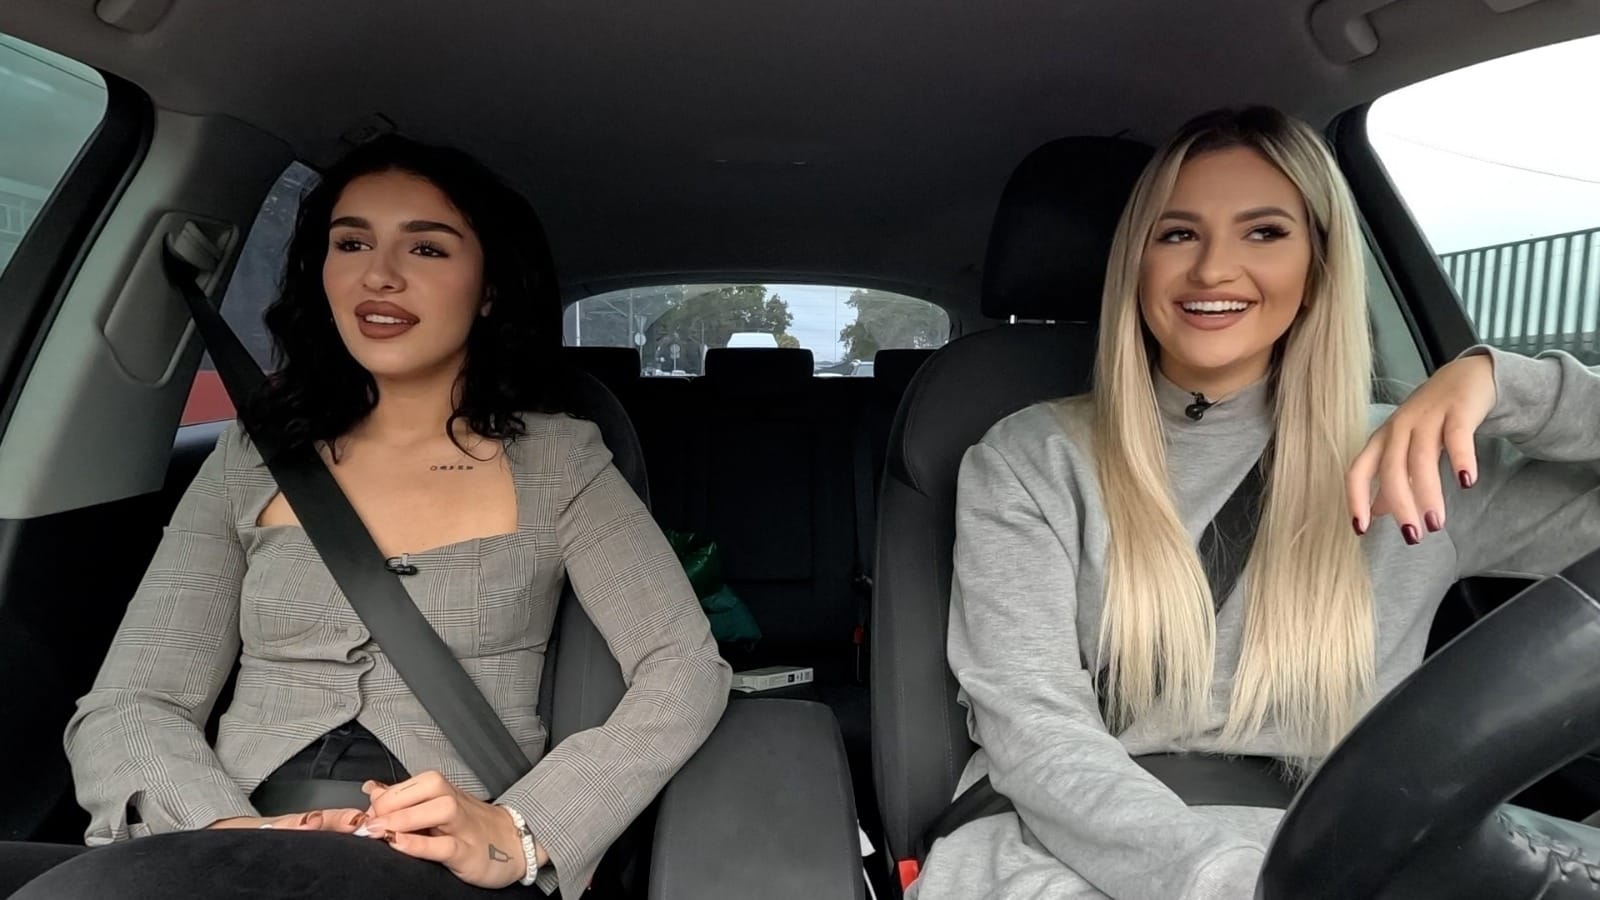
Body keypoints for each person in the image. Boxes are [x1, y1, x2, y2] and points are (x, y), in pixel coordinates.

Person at [0, 136, 731, 899]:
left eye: (427, 248)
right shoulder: (255, 454)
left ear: (488, 288)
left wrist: (520, 828)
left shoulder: (561, 461)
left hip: (430, 860)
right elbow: (134, 701)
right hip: (222, 837)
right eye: (351, 243)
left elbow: (682, 667)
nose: (379, 275)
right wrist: (223, 829)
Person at [912, 107, 1600, 899]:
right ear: (1136, 263)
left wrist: (1507, 385)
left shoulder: (1418, 463)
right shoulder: (1029, 458)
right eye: (1178, 234)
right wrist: (1226, 879)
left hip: (1342, 855)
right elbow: (1031, 727)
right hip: (1061, 848)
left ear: (1318, 267)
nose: (1213, 269)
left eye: (1265, 232)